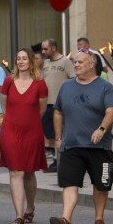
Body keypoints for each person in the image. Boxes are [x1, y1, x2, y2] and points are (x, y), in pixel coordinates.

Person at [51, 50, 113, 224]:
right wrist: (58, 138)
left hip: (99, 146)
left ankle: (99, 219)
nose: (76, 65)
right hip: (71, 144)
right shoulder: (66, 86)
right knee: (70, 182)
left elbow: (111, 111)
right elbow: (57, 111)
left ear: (91, 64)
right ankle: (66, 219)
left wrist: (101, 129)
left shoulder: (105, 87)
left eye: (80, 62)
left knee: (101, 184)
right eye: (75, 62)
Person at [0, 48, 48, 224]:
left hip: (32, 132)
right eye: (18, 59)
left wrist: (28, 122)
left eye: (24, 58)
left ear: (30, 61)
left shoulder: (40, 84)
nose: (21, 62)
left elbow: (41, 110)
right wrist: (12, 122)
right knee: (15, 171)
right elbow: (4, 106)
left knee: (29, 172)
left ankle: (30, 207)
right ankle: (19, 215)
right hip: (10, 131)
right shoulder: (8, 81)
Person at [40, 39, 74, 172]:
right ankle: (57, 157)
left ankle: (58, 159)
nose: (43, 52)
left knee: (59, 132)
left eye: (45, 49)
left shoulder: (65, 61)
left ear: (53, 48)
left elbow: (72, 79)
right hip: (47, 103)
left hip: (60, 104)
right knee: (51, 134)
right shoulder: (46, 63)